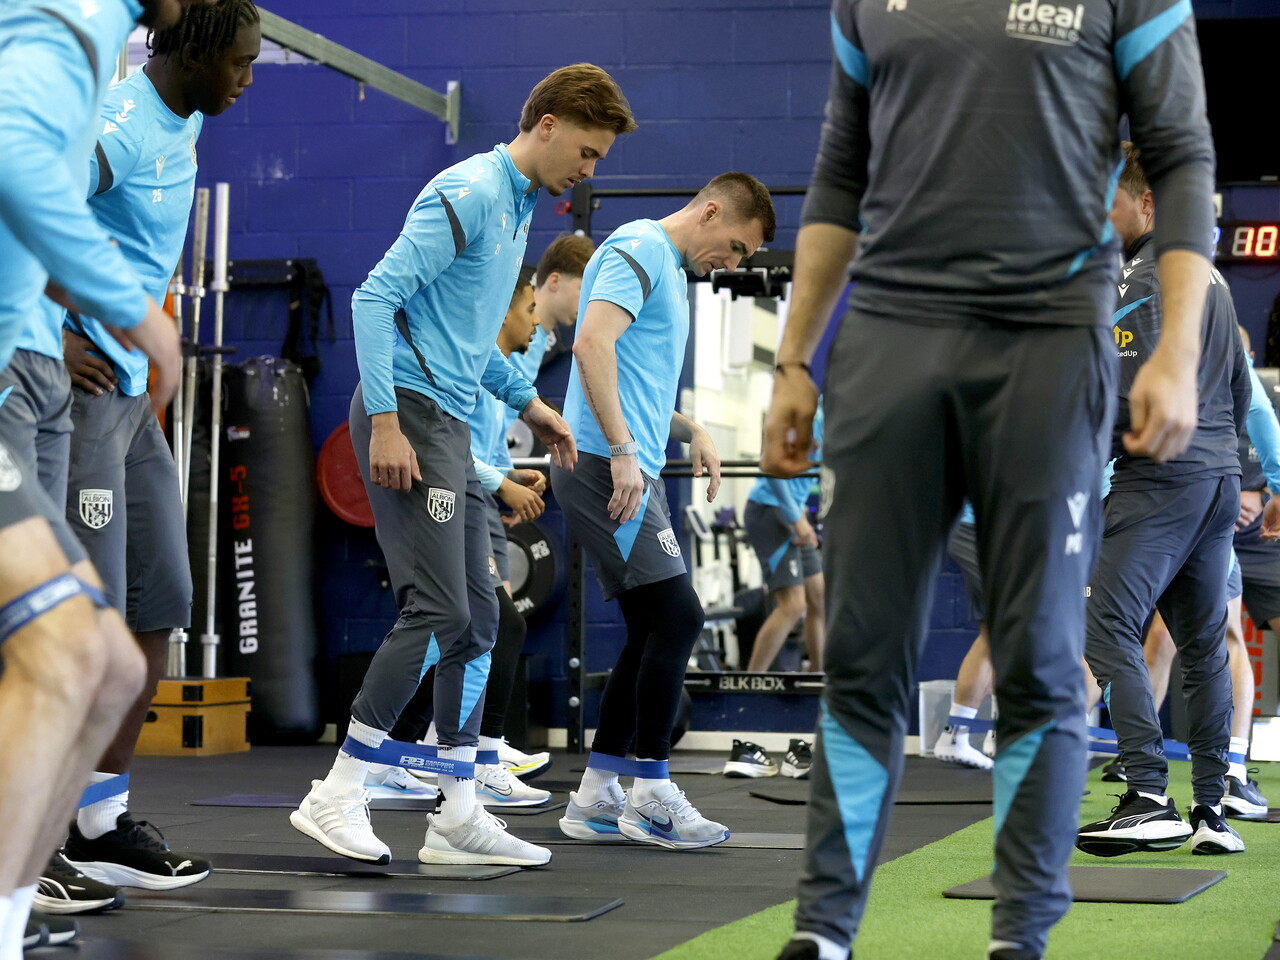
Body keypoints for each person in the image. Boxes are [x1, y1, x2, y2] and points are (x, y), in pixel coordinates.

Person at [760, 3, 1216, 958]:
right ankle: (825, 934)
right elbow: (842, 178)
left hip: (1047, 342)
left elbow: (1178, 159)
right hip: (891, 337)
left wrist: (1178, 347)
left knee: (1041, 663)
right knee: (860, 658)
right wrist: (794, 359)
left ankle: (1020, 941)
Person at [290, 63, 636, 868]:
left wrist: (534, 406)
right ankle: (338, 790)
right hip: (407, 413)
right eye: (586, 153)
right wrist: (383, 422)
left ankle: (457, 812)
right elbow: (374, 299)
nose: (589, 172)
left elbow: (467, 339)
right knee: (440, 611)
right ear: (546, 124)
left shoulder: (516, 208)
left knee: (480, 620)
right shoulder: (473, 190)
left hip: (445, 416)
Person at [44, 0, 260, 907]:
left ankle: (99, 821)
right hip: (81, 394)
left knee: (158, 608)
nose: (248, 79)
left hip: (134, 397)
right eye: (241, 63)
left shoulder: (186, 119)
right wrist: (52, 333)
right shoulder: (125, 126)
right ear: (199, 49)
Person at [0, 0, 188, 952]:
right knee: (71, 653)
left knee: (103, 660)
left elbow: (38, 205)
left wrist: (66, 299)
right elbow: (19, 167)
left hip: (26, 366)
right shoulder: (64, 23)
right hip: (11, 376)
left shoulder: (92, 33)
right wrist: (132, 313)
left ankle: (19, 898)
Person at [554, 172, 775, 849]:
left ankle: (595, 796)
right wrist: (622, 449)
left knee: (653, 627)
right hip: (604, 468)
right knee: (678, 616)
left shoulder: (663, 271)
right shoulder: (641, 246)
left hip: (622, 465)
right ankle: (649, 790)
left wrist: (691, 430)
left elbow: (631, 371)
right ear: (710, 212)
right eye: (735, 248)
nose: (732, 265)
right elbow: (590, 345)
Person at [1076, 142, 1253, 859]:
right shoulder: (1208, 276)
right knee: (1204, 645)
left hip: (1161, 480)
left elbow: (1125, 399)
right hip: (1215, 480)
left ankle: (1148, 793)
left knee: (1107, 624)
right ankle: (1213, 809)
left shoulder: (1147, 276)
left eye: (1108, 202)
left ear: (1145, 202)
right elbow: (1240, 390)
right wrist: (1238, 473)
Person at [387, 266, 552, 808]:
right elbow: (451, 449)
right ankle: (465, 754)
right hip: (459, 490)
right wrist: (499, 484)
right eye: (531, 312)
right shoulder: (450, 360)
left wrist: (505, 476)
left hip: (476, 494)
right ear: (501, 310)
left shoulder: (488, 366)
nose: (536, 323)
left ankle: (422, 752)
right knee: (480, 622)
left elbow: (472, 445)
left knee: (476, 625)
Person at [1136, 324, 1280, 817]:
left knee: (1224, 636)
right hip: (1184, 513)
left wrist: (1268, 490)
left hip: (1217, 523)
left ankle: (1229, 771)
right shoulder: (1164, 370)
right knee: (1153, 637)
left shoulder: (1237, 382)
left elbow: (1261, 421)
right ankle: (1143, 767)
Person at [743, 399, 825, 674]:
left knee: (819, 598)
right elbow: (771, 466)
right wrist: (797, 519)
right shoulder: (810, 419)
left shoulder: (842, 421)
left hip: (794, 512)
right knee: (793, 605)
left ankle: (817, 677)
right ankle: (752, 682)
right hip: (771, 511)